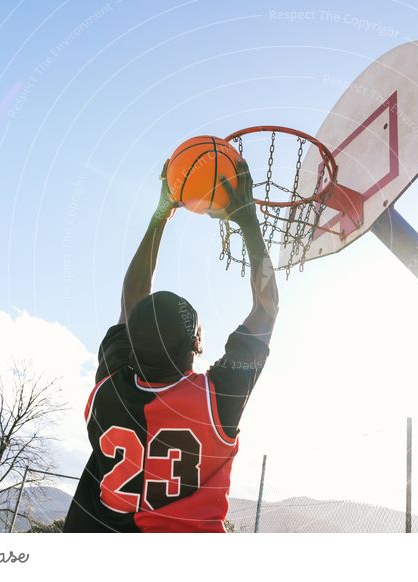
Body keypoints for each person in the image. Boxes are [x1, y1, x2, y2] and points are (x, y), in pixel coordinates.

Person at [64, 159, 278, 533]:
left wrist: (161, 213)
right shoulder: (213, 403)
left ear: (129, 340)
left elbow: (131, 301)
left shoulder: (109, 390)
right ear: (197, 342)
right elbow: (267, 306)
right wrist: (246, 218)